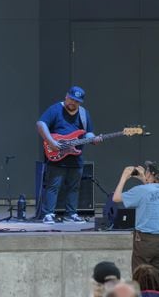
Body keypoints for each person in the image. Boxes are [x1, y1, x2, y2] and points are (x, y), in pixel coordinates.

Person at [37, 85, 100, 223]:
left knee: (74, 187)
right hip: (57, 155)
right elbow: (41, 124)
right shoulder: (55, 109)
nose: (72, 102)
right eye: (71, 99)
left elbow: (88, 132)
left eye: (76, 101)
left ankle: (71, 214)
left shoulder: (83, 114)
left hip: (76, 157)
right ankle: (48, 214)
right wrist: (51, 141)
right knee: (53, 186)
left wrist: (93, 138)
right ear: (66, 96)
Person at [112, 161, 159, 274]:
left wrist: (124, 177)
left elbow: (116, 198)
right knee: (156, 280)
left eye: (147, 171)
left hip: (144, 241)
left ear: (150, 174)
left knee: (140, 278)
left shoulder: (141, 190)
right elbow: (151, 191)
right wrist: (143, 178)